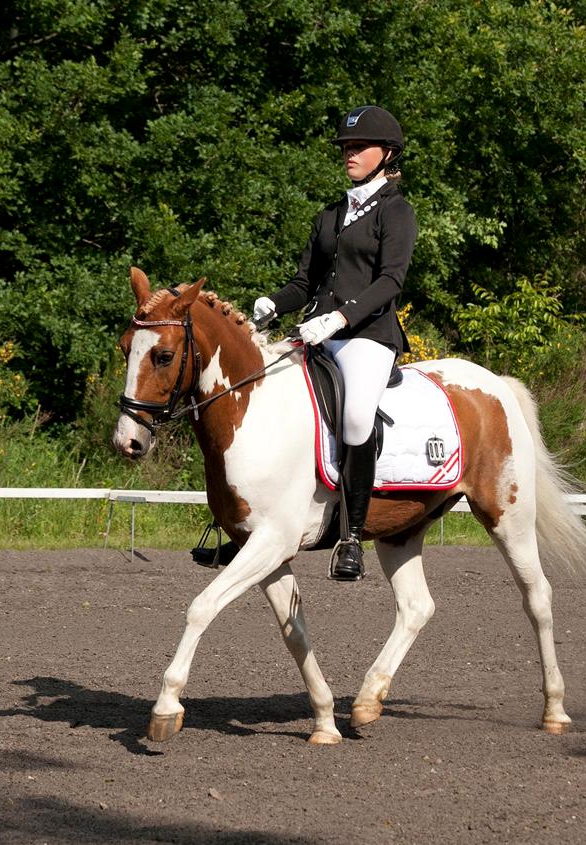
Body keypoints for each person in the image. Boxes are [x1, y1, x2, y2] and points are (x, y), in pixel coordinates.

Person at [253, 105, 417, 581]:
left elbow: (391, 281)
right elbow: (305, 283)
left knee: (356, 416)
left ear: (386, 154)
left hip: (367, 336)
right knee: (264, 392)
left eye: (358, 147)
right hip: (316, 333)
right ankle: (251, 520)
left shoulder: (396, 210)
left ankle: (351, 536)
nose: (349, 154)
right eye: (346, 147)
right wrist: (274, 303)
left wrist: (339, 319)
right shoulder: (331, 214)